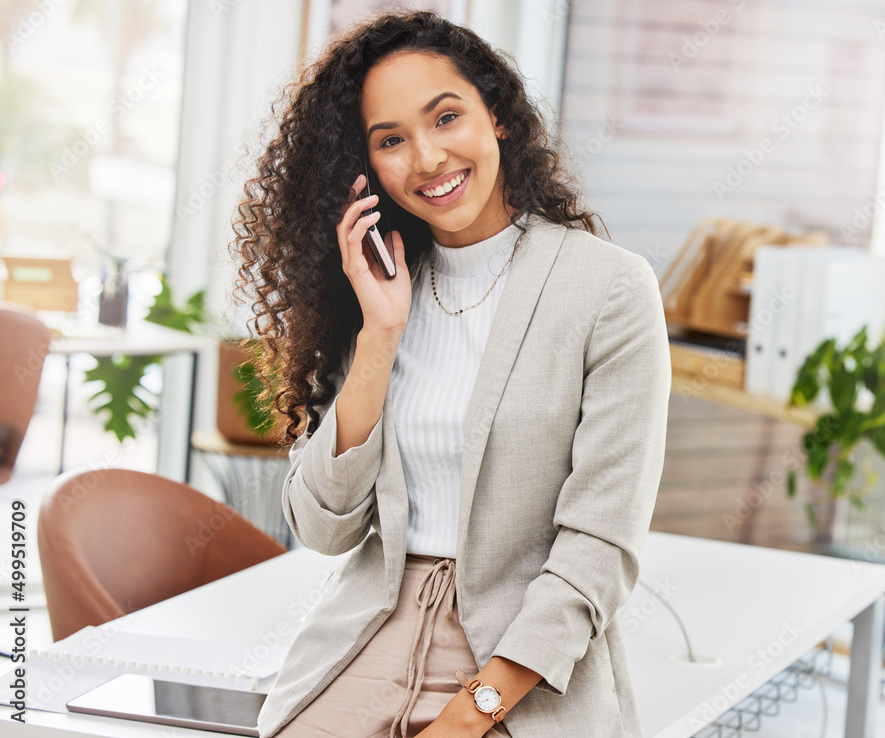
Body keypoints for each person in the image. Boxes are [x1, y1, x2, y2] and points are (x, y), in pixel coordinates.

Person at [231, 9, 671, 738]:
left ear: (495, 117)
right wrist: (380, 331)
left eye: (445, 117)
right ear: (367, 168)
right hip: (367, 636)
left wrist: (472, 716)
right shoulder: (381, 284)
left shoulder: (609, 289)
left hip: (520, 661)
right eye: (391, 141)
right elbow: (322, 528)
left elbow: (599, 547)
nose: (429, 158)